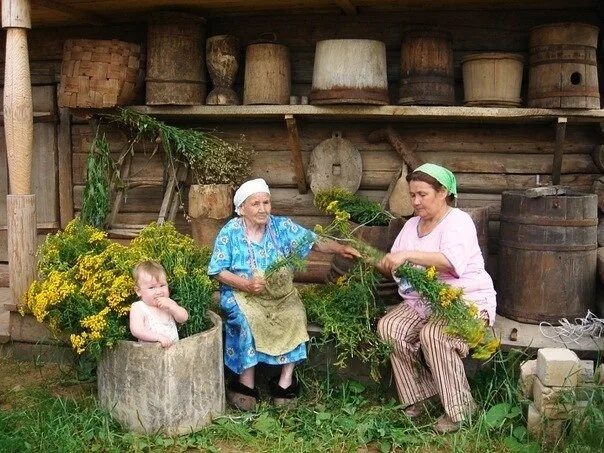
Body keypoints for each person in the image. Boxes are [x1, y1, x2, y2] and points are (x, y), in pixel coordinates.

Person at [208, 178, 359, 410]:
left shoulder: (281, 227)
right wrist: (246, 284)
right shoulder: (230, 232)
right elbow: (217, 270)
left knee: (295, 315)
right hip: (242, 295)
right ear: (242, 209)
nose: (262, 209)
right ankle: (245, 385)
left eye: (266, 202)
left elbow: (313, 240)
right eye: (255, 204)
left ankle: (284, 384)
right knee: (249, 320)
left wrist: (340, 248)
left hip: (280, 295)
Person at [376, 163, 496, 434]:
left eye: (422, 194)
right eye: (412, 195)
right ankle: (422, 396)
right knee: (389, 328)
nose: (416, 201)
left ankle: (460, 410)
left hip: (464, 300)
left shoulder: (458, 221)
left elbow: (451, 263)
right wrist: (385, 263)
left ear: (443, 193)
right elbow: (396, 261)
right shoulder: (410, 226)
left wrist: (407, 256)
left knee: (434, 334)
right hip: (424, 301)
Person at [129, 260, 189, 348]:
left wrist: (173, 307)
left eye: (162, 285)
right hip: (151, 356)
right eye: (152, 287)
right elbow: (137, 330)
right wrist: (158, 337)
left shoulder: (169, 303)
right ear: (138, 291)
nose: (159, 291)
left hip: (174, 354)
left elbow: (183, 318)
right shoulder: (139, 307)